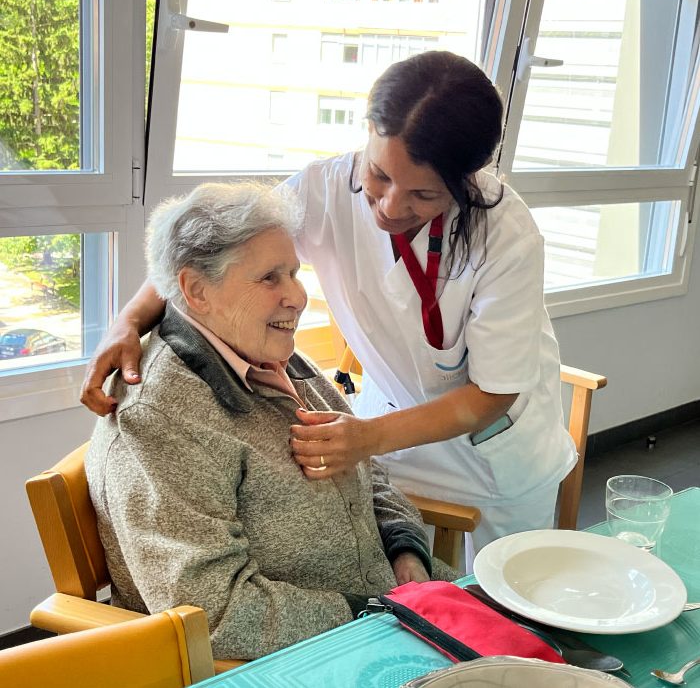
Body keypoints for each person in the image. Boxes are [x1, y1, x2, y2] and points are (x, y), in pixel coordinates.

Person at [81, 51, 576, 552]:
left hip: (493, 450)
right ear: (368, 130)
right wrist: (129, 320)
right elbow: (211, 248)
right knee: (400, 557)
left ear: (465, 180)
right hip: (389, 425)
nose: (390, 207)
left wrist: (368, 437)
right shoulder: (325, 188)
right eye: (379, 175)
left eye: (423, 195)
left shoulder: (506, 235)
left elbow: (493, 393)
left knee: (508, 588)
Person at [84, 182, 446, 662]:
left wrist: (405, 548)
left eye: (294, 273)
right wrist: (375, 613)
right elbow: (213, 614)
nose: (297, 296)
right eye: (270, 278)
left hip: (391, 609)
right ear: (197, 290)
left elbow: (362, 465)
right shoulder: (160, 418)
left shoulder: (269, 353)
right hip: (314, 652)